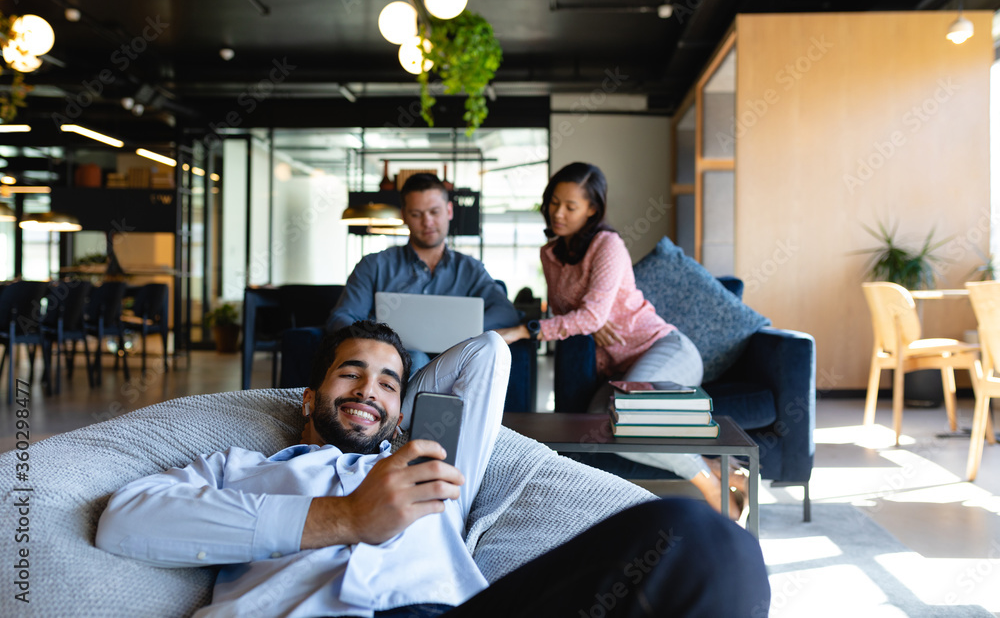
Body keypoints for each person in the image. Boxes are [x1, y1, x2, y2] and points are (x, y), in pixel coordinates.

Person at [96, 320, 770, 617]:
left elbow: (484, 358)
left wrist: (399, 424)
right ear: (307, 397)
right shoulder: (242, 465)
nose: (368, 388)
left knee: (707, 542)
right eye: (349, 374)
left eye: (389, 384)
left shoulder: (428, 469)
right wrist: (344, 517)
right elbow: (125, 522)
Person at [496, 162, 748, 519]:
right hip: (619, 373)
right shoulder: (549, 255)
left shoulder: (607, 245)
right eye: (554, 202)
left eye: (570, 206)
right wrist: (586, 320)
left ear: (592, 209)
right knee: (604, 422)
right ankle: (715, 465)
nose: (558, 213)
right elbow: (575, 315)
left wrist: (527, 330)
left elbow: (591, 316)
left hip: (664, 349)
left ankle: (707, 481)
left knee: (631, 416)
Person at [328, 173, 521, 375]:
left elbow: (506, 312)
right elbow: (343, 316)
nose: (427, 222)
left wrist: (464, 334)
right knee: (416, 358)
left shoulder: (470, 269)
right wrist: (376, 340)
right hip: (389, 362)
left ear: (449, 211)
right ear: (404, 215)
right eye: (416, 214)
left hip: (455, 360)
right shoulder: (374, 265)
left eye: (434, 212)